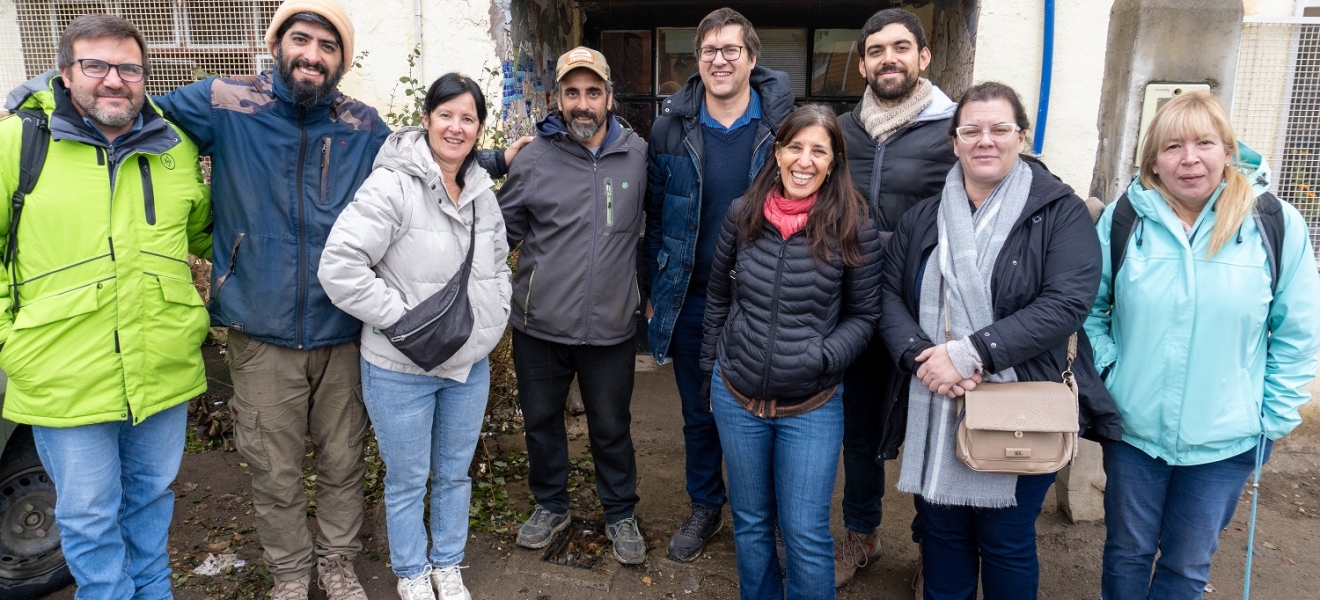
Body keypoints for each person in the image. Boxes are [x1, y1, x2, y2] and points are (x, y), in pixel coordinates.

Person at [149, 2, 389, 598]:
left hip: (343, 330)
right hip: (258, 328)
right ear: (276, 44)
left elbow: (425, 163)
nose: (312, 55)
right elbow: (128, 106)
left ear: (341, 61)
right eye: (300, 39)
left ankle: (336, 562)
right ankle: (288, 573)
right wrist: (45, 94)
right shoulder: (225, 102)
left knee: (343, 461)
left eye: (327, 47)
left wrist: (496, 159)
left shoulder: (362, 124)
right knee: (273, 469)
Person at [878, 81, 1121, 600]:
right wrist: (925, 360)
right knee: (941, 535)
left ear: (1022, 137)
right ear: (955, 140)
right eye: (972, 130)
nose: (985, 140)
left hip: (1020, 402)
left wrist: (968, 355)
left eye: (999, 129)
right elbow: (889, 295)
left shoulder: (1060, 212)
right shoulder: (925, 216)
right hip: (936, 399)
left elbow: (1065, 304)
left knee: (1006, 540)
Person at [0, 14, 212, 599]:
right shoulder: (18, 144)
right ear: (66, 74)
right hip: (62, 371)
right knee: (91, 519)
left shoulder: (175, 147)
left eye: (128, 67)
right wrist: (9, 338)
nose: (114, 80)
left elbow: (201, 234)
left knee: (149, 506)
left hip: (160, 368)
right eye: (96, 65)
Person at [1085, 91, 1320, 600]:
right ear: (1153, 161)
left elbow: (1298, 334)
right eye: (1173, 146)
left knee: (1188, 566)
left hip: (1226, 441)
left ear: (1228, 151)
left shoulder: (1273, 224)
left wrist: (1272, 418)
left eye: (1204, 143)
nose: (1189, 159)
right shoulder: (1126, 219)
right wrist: (1112, 374)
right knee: (1126, 553)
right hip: (1134, 432)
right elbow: (1087, 309)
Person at [318, 73, 509, 600]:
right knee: (406, 480)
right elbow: (339, 266)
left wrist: (495, 318)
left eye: (468, 118)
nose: (456, 126)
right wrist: (400, 319)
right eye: (446, 114)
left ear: (479, 129)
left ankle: (447, 563)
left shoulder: (481, 193)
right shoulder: (393, 185)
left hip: (468, 367)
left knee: (454, 476)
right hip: (400, 369)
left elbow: (497, 267)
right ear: (426, 120)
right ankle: (411, 571)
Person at [701, 103, 883, 599]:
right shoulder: (742, 214)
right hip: (738, 398)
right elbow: (718, 295)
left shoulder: (854, 223)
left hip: (811, 405)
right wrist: (712, 369)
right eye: (795, 147)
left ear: (833, 162)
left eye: (818, 151)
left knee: (804, 532)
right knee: (752, 524)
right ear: (778, 152)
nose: (805, 161)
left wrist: (822, 358)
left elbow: (865, 316)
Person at [645, 7, 795, 563]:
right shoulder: (671, 127)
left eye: (731, 50)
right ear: (697, 60)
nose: (719, 60)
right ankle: (706, 506)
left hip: (764, 300)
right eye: (709, 51)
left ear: (752, 59)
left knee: (769, 411)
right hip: (690, 296)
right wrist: (651, 291)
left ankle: (770, 519)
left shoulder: (782, 126)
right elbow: (656, 215)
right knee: (699, 410)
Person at [499, 46, 650, 565]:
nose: (582, 103)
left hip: (610, 325)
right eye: (571, 92)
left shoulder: (638, 154)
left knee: (611, 426)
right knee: (542, 422)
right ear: (558, 98)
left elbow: (652, 232)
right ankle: (551, 504)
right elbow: (502, 232)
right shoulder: (535, 158)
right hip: (539, 324)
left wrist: (646, 293)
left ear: (609, 96)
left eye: (592, 91)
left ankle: (619, 511)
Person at [834, 8, 958, 586]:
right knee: (858, 431)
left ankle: (933, 549)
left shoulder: (955, 129)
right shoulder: (841, 131)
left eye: (901, 48)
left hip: (929, 308)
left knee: (933, 428)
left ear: (923, 57)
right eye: (877, 50)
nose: (889, 59)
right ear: (862, 63)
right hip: (854, 303)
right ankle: (862, 534)